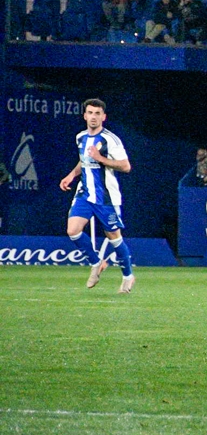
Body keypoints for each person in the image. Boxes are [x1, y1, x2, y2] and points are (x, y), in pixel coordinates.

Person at [58, 99, 135, 293]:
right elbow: (83, 161)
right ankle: (96, 262)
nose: (93, 117)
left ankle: (128, 276)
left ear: (104, 117)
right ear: (84, 115)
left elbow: (126, 166)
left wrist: (100, 158)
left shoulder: (111, 140)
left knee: (114, 237)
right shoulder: (80, 137)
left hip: (106, 197)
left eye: (97, 113)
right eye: (90, 113)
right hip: (85, 193)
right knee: (72, 230)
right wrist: (71, 175)